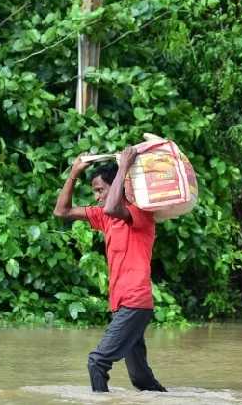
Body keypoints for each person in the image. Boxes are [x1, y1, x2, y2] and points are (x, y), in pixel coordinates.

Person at [53, 147, 167, 393]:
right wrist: (73, 174)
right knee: (141, 380)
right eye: (94, 191)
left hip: (135, 302)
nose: (96, 197)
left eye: (99, 190)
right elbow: (61, 211)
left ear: (116, 185)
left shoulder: (140, 213)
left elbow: (113, 207)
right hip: (122, 304)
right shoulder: (106, 218)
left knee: (97, 361)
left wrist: (124, 167)